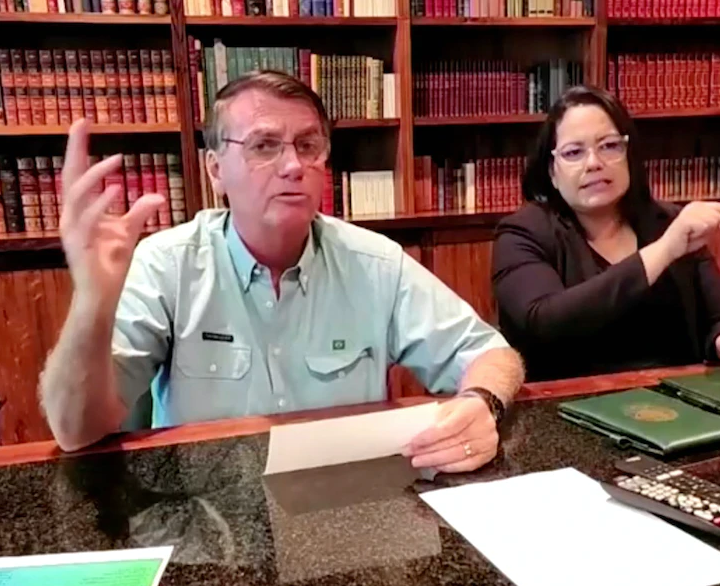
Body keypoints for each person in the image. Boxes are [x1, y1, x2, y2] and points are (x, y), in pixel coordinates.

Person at [40, 70, 524, 473]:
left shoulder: (374, 263)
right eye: (264, 146)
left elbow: (491, 354)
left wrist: (482, 402)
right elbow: (75, 431)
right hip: (208, 520)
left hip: (341, 511)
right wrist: (91, 303)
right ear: (215, 169)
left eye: (308, 145)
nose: (293, 166)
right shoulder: (167, 265)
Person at [491, 85, 720, 382]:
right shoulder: (522, 233)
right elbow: (544, 323)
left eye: (609, 146)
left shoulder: (666, 221)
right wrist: (663, 251)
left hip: (676, 397)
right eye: (574, 152)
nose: (594, 163)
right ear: (552, 172)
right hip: (571, 402)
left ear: (629, 155)